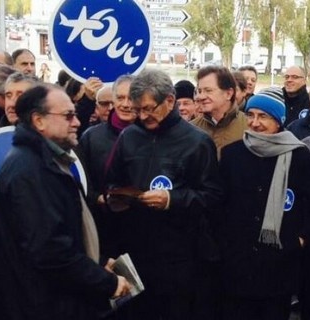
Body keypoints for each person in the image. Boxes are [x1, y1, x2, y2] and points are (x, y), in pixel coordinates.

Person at [0, 84, 131, 319]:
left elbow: (61, 232)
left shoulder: (46, 162)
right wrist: (107, 282)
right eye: (68, 116)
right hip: (37, 304)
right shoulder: (30, 170)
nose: (77, 122)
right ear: (39, 121)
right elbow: (50, 250)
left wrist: (97, 261)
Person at [105, 69, 222, 319]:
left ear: (170, 100)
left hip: (180, 258)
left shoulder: (197, 142)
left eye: (149, 108)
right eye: (139, 110)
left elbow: (212, 196)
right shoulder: (129, 136)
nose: (143, 116)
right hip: (135, 252)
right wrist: (118, 197)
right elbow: (113, 181)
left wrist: (172, 200)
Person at [218, 89, 310, 320]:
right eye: (251, 115)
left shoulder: (298, 156)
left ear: (279, 121)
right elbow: (219, 205)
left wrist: (300, 239)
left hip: (278, 264)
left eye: (263, 116)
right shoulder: (231, 154)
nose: (255, 123)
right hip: (238, 263)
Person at [78, 75, 137, 260]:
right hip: (103, 228)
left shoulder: (153, 134)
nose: (126, 104)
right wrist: (99, 198)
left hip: (142, 228)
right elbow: (81, 182)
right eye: (120, 98)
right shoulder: (91, 137)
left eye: (132, 98)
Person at [192, 66, 248, 158]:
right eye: (200, 91)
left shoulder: (249, 128)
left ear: (228, 93)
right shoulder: (192, 128)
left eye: (208, 90)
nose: (201, 96)